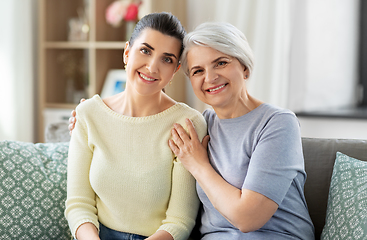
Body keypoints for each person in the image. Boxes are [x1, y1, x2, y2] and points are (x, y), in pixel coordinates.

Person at [65, 12, 207, 240]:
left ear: (175, 71)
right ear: (127, 52)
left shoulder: (187, 123)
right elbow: (78, 204)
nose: (152, 67)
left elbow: (180, 220)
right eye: (145, 50)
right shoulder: (88, 114)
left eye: (166, 59)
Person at [167, 22, 315, 239]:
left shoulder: (277, 123)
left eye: (221, 63)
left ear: (244, 67)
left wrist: (198, 165)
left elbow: (248, 218)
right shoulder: (200, 124)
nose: (210, 77)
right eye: (198, 71)